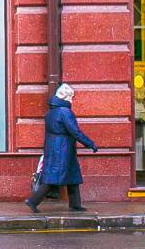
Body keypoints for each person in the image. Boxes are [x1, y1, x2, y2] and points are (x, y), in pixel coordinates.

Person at [25, 83, 97, 213]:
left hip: (54, 147)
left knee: (71, 176)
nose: (72, 99)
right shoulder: (65, 112)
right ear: (67, 97)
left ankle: (75, 204)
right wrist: (90, 144)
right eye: (71, 97)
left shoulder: (51, 112)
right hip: (63, 149)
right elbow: (75, 131)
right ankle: (33, 201)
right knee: (53, 178)